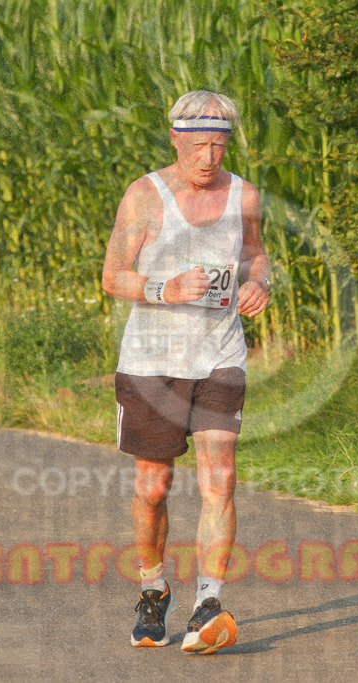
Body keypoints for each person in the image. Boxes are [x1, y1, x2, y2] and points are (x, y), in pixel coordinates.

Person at [101, 90, 270, 654]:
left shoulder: (244, 195)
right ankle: (154, 590)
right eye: (198, 145)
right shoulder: (144, 197)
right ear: (175, 138)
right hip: (152, 362)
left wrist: (258, 283)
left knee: (220, 477)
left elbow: (255, 255)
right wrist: (164, 288)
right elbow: (112, 277)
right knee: (153, 487)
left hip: (220, 355)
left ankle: (208, 604)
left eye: (219, 146)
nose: (209, 158)